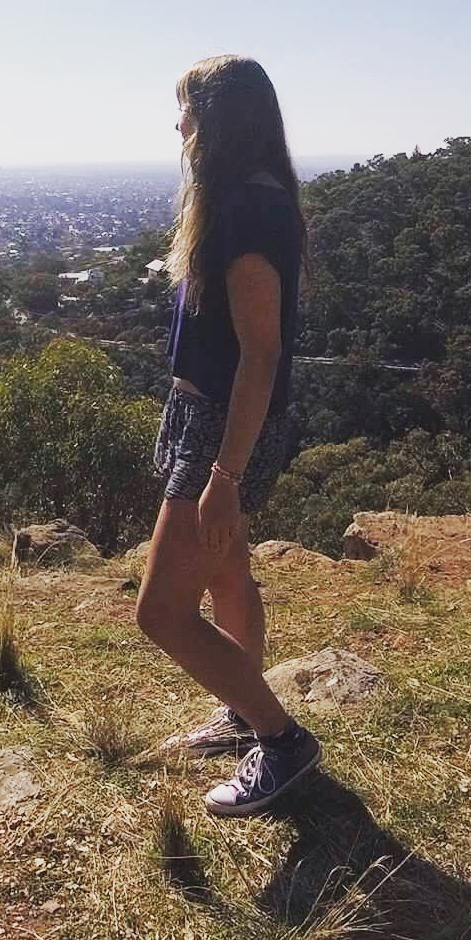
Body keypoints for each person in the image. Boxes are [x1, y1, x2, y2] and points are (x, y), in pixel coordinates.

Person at [135, 54, 321, 817]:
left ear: (217, 120)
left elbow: (262, 351)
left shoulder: (247, 210)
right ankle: (246, 712)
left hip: (221, 427)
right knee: (226, 574)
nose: (178, 125)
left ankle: (282, 742)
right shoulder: (250, 199)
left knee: (161, 613)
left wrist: (225, 476)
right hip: (208, 417)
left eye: (187, 110)